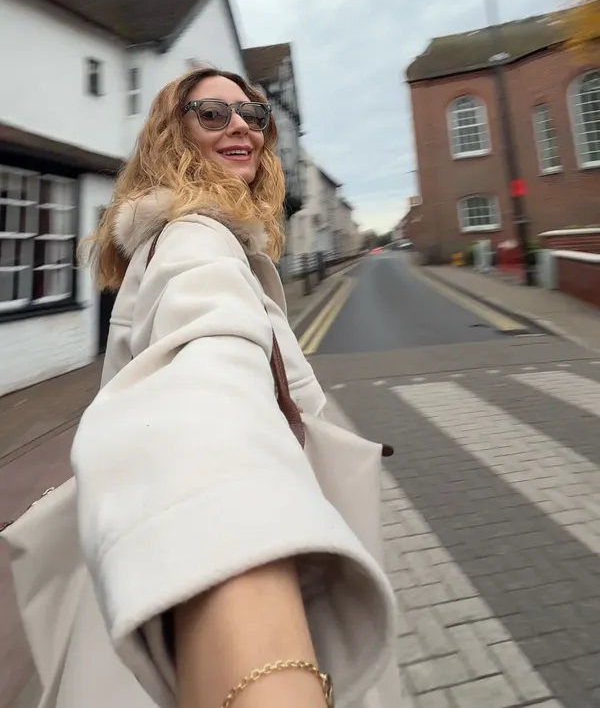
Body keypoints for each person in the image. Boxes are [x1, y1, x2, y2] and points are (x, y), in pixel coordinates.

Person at [72, 65, 396, 708]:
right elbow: (209, 382)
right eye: (211, 113)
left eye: (252, 113)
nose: (240, 124)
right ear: (173, 135)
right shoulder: (197, 241)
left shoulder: (200, 240)